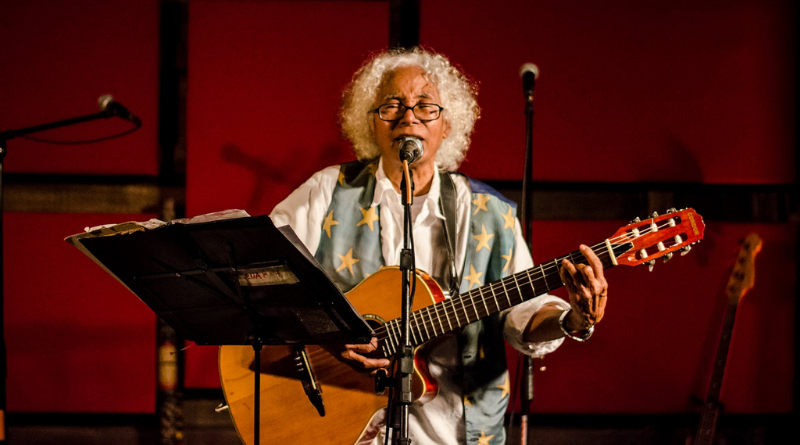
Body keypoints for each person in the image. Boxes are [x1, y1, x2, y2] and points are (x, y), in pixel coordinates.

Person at [270, 47, 608, 445]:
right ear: (371, 123)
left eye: (426, 106)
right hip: (341, 428)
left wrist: (574, 320)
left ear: (447, 125)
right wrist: (326, 333)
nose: (408, 117)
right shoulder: (326, 192)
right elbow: (258, 274)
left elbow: (524, 315)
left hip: (456, 435)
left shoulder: (490, 213)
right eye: (391, 106)